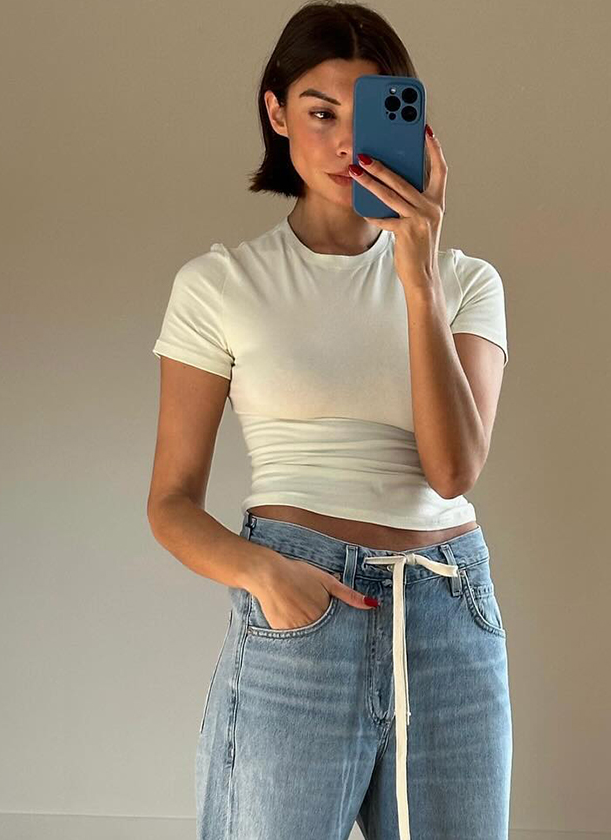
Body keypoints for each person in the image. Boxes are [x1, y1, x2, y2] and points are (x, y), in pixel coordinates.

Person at [147, 3, 510, 838]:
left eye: (370, 112)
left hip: (448, 616)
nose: (347, 141)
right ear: (277, 113)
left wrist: (417, 272)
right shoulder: (221, 285)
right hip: (300, 615)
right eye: (320, 112)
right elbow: (170, 501)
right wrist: (268, 575)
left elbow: (453, 472)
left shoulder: (465, 281)